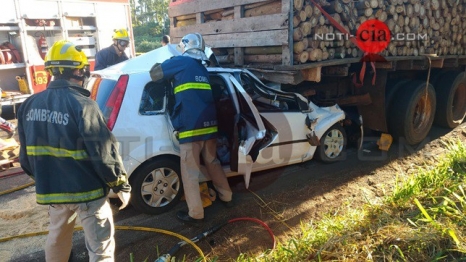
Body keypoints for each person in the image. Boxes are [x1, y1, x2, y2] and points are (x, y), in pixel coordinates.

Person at [17, 40, 131, 262]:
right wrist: (120, 184)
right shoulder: (84, 105)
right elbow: (104, 152)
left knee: (57, 238)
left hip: (53, 192)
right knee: (101, 249)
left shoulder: (29, 105)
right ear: (79, 70)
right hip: (87, 192)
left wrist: (44, 178)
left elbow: (26, 157)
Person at [149, 33, 233, 223]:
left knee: (189, 173)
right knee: (213, 163)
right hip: (210, 126)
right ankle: (227, 197)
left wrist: (168, 62)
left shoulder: (180, 62)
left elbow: (154, 74)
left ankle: (196, 214)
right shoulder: (203, 69)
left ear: (185, 47)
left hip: (190, 129)